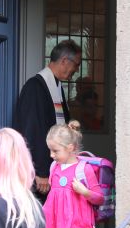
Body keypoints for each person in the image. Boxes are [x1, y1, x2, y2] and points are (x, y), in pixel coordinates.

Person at [13, 39, 81, 203]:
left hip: (54, 169)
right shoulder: (35, 88)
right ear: (64, 61)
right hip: (40, 176)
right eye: (76, 65)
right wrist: (41, 171)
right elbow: (32, 132)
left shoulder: (57, 87)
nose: (76, 71)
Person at [43, 121, 104, 228]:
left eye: (55, 151)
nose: (51, 155)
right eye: (50, 150)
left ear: (70, 147)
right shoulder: (54, 167)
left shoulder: (83, 170)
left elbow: (99, 198)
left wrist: (84, 192)